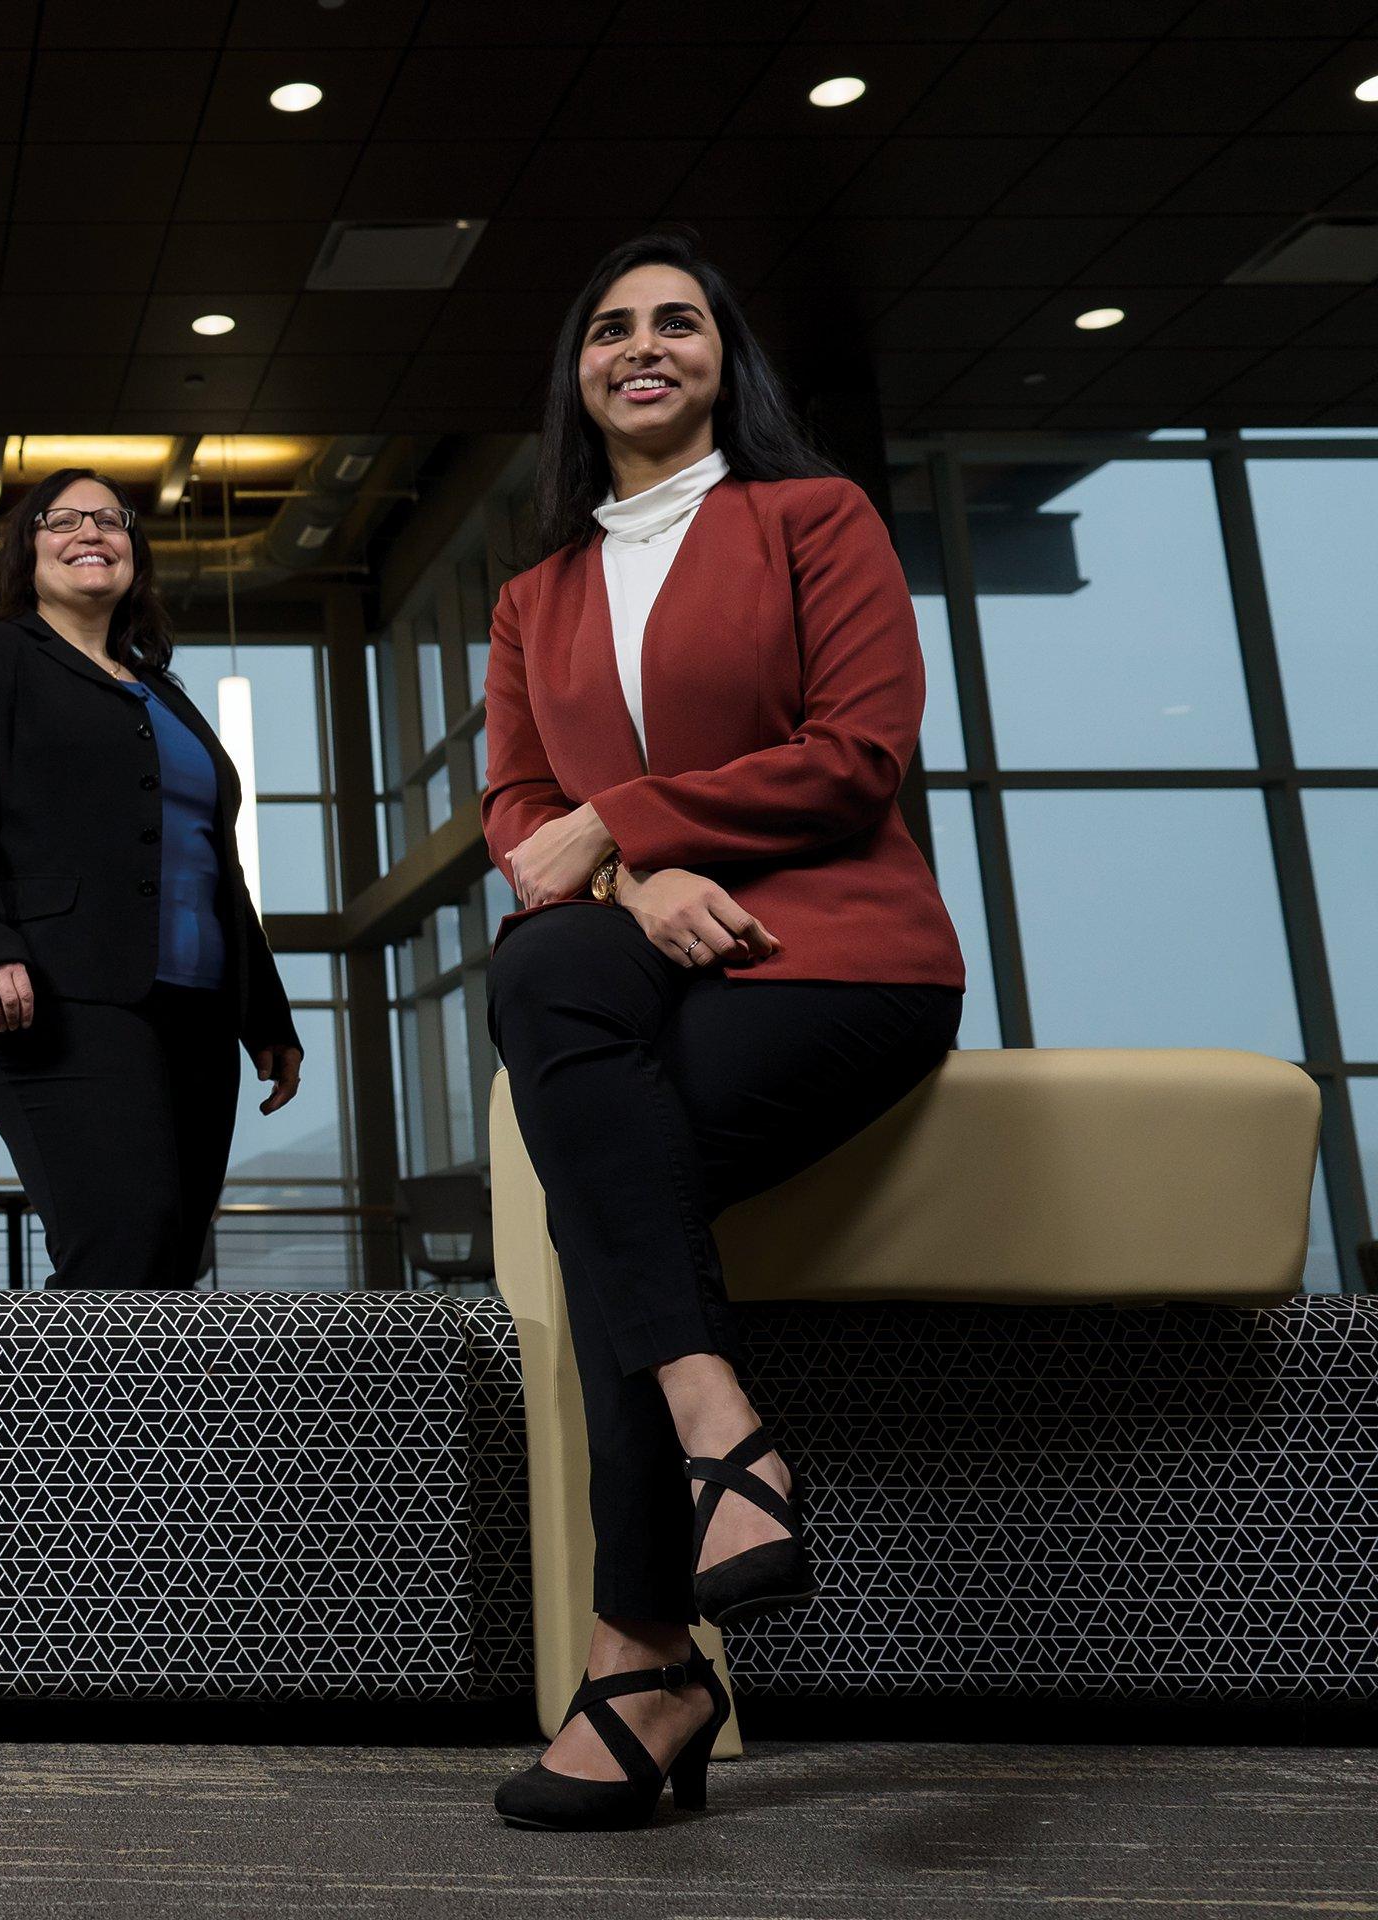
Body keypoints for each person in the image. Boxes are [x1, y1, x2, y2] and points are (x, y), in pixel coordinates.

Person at [480, 231, 965, 1830]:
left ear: (720, 358)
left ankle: (644, 1662)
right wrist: (630, 867)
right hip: (638, 956)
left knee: (614, 1193)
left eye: (677, 322)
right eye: (609, 325)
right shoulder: (531, 593)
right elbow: (518, 813)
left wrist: (626, 822)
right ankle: (716, 1426)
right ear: (578, 375)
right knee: (540, 978)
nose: (642, 345)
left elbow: (858, 752)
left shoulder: (810, 518)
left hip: (829, 956)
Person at [0, 467, 303, 1290]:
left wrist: (265, 1012)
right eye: (63, 520)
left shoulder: (165, 693)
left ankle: (123, 1424)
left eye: (111, 519)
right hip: (49, 991)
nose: (91, 532)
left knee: (169, 1263)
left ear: (135, 552)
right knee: (122, 1244)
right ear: (27, 551)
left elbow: (214, 863)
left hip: (194, 1011)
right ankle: (42, 1423)